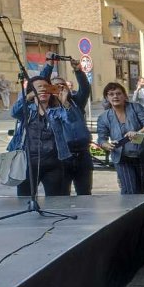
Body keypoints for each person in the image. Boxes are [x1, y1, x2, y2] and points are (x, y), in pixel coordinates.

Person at [8, 77, 75, 197]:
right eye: (39, 88)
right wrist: (29, 96)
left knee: (55, 201)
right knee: (25, 199)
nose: (43, 90)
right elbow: (14, 112)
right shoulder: (27, 110)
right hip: (28, 163)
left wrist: (65, 102)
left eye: (46, 87)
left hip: (53, 163)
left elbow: (71, 120)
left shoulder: (56, 111)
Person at [42, 57, 94, 195]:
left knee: (85, 193)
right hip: (62, 157)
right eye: (55, 86)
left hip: (82, 154)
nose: (60, 88)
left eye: (62, 85)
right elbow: (39, 84)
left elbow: (85, 89)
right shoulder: (47, 107)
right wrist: (49, 66)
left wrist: (78, 71)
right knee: (63, 194)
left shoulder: (76, 102)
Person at [97, 82, 144, 194]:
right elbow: (101, 139)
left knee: (142, 191)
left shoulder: (136, 108)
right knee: (129, 191)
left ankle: (141, 206)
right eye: (111, 94)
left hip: (141, 155)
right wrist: (107, 145)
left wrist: (138, 132)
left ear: (124, 95)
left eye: (118, 93)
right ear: (107, 98)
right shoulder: (104, 117)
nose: (115, 96)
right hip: (121, 158)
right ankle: (129, 205)